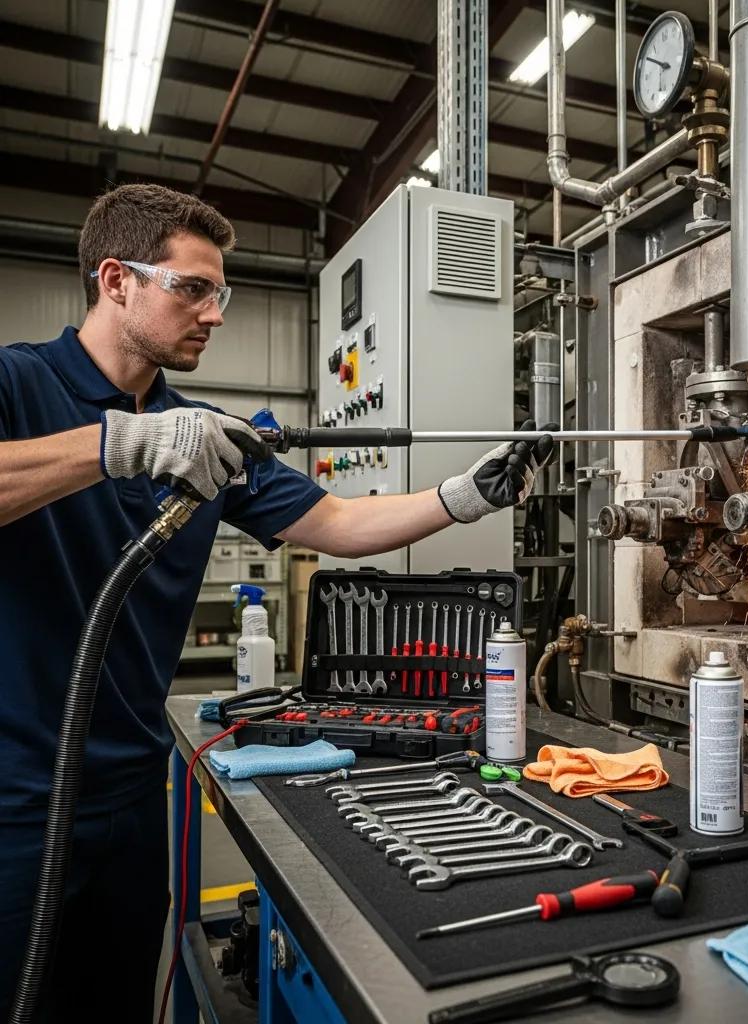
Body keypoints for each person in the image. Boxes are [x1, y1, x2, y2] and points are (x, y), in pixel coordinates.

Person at [0, 183, 554, 1019]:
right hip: (11, 803)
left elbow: (336, 519)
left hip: (127, 799)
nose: (215, 313)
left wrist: (460, 497)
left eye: (221, 294)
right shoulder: (18, 383)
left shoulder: (206, 436)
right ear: (115, 280)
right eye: (193, 288)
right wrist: (118, 443)